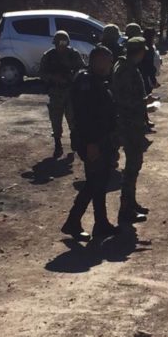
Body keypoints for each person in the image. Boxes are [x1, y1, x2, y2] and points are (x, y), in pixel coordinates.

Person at [61, 45, 118, 241]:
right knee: (94, 183)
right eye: (108, 61)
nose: (110, 65)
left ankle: (101, 223)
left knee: (100, 183)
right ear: (99, 61)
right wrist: (92, 144)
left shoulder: (97, 81)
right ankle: (72, 222)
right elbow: (85, 117)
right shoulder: (86, 83)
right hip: (92, 142)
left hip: (101, 140)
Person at [112, 37, 150, 224]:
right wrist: (144, 103)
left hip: (132, 123)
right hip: (128, 124)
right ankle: (126, 209)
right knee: (132, 165)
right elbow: (123, 99)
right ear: (139, 52)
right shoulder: (126, 70)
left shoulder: (126, 66)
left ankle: (130, 202)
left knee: (135, 164)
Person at [40, 31, 86, 159]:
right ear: (55, 43)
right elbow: (41, 73)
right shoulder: (49, 56)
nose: (61, 45)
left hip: (71, 91)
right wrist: (53, 77)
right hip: (55, 92)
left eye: (64, 42)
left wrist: (72, 76)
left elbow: (81, 70)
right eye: (59, 43)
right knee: (55, 120)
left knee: (73, 118)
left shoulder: (73, 54)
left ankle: (74, 138)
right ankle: (58, 144)